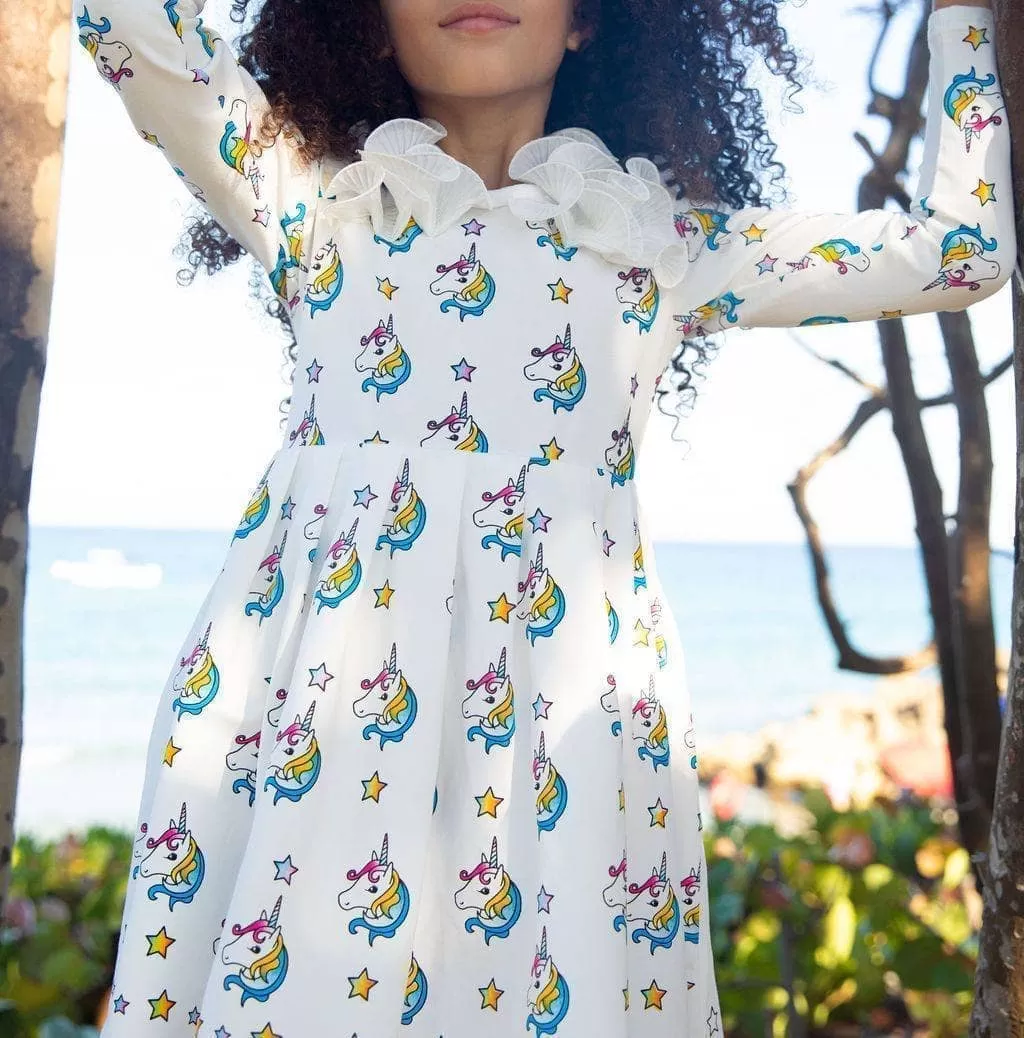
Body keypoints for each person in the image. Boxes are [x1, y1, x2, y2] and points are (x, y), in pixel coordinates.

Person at [76, 0, 1013, 1035]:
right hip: (313, 715)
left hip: (560, 746)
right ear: (366, 22)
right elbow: (122, 20)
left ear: (589, 21)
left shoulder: (657, 247)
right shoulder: (309, 202)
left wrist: (961, 19)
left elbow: (962, 252)